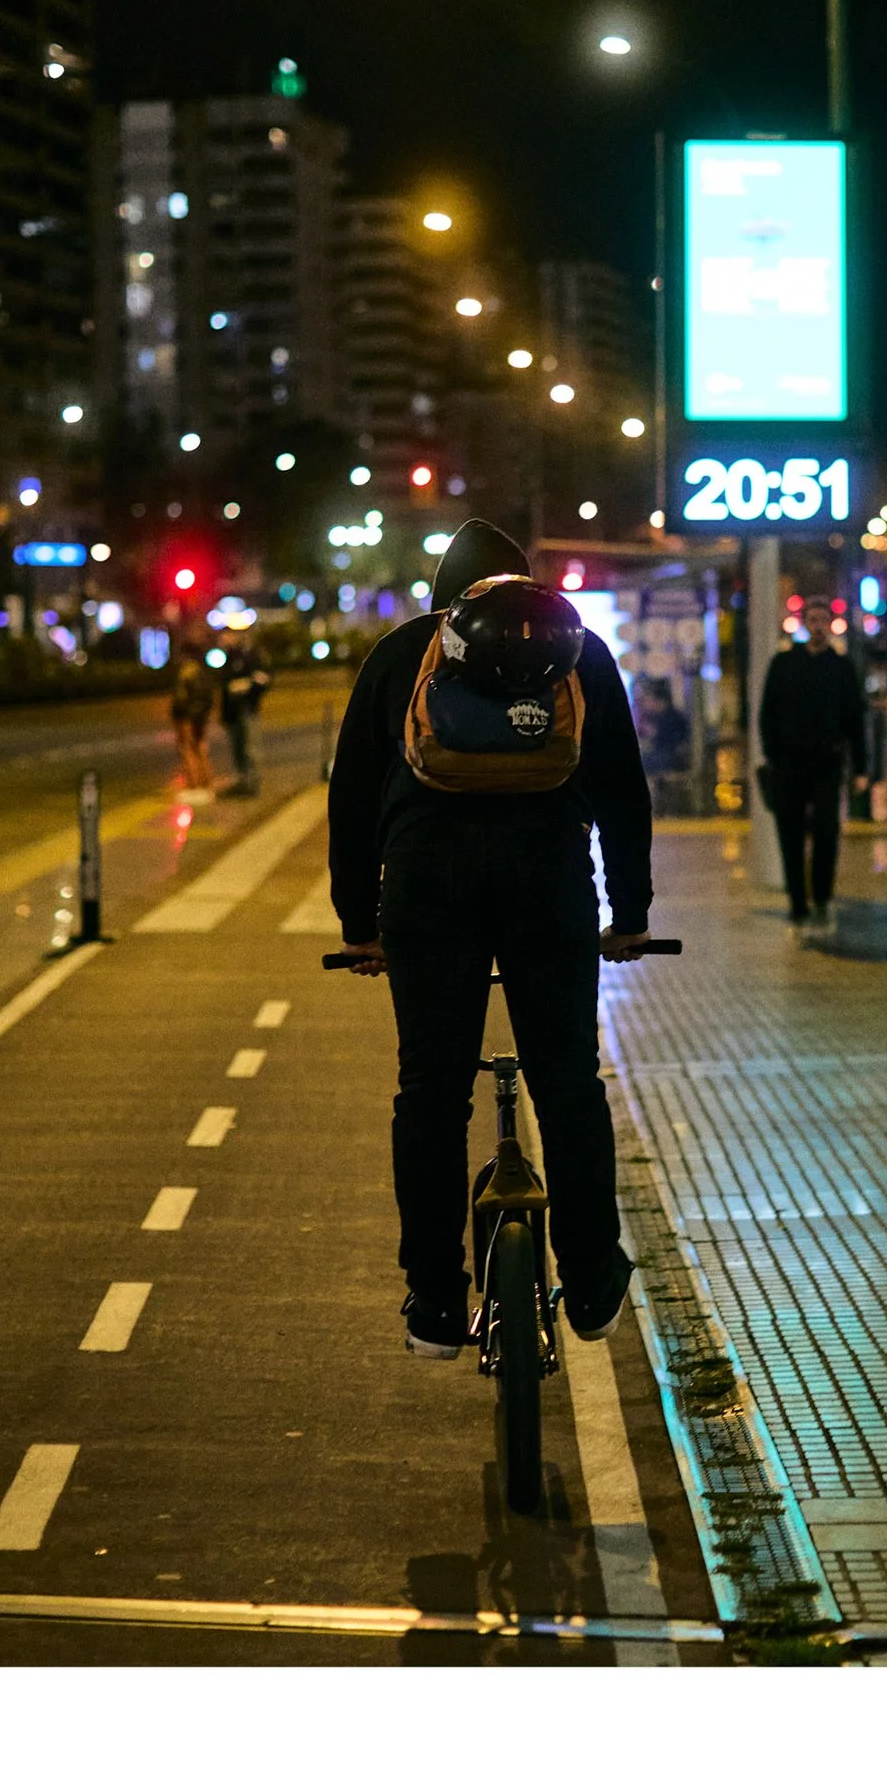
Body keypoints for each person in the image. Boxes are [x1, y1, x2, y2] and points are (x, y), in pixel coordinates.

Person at [327, 518, 654, 1358]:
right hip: (548, 889)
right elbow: (622, 788)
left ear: (448, 597)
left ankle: (435, 1300)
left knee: (430, 1094)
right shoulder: (577, 654)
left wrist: (360, 926)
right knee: (569, 1081)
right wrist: (632, 912)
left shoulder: (402, 655)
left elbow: (354, 798)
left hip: (428, 893)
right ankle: (589, 1279)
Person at [758, 625, 871, 944]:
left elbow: (854, 718)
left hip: (826, 763)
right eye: (814, 618)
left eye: (824, 618)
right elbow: (768, 712)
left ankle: (821, 898)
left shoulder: (840, 667)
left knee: (826, 831)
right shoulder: (783, 664)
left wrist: (861, 767)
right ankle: (798, 904)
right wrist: (772, 754)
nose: (819, 626)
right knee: (790, 834)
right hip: (788, 764)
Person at [215, 627, 274, 798]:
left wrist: (245, 687)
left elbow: (263, 679)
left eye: (227, 635)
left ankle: (253, 783)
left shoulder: (251, 656)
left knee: (250, 747)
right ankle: (242, 780)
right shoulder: (229, 657)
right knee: (237, 748)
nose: (224, 639)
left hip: (247, 709)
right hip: (232, 712)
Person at [169, 641, 217, 794]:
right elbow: (208, 697)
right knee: (200, 748)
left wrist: (180, 715)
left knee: (187, 749)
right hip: (200, 717)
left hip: (187, 718)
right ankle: (207, 782)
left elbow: (181, 698)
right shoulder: (203, 672)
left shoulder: (187, 672)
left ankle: (194, 784)